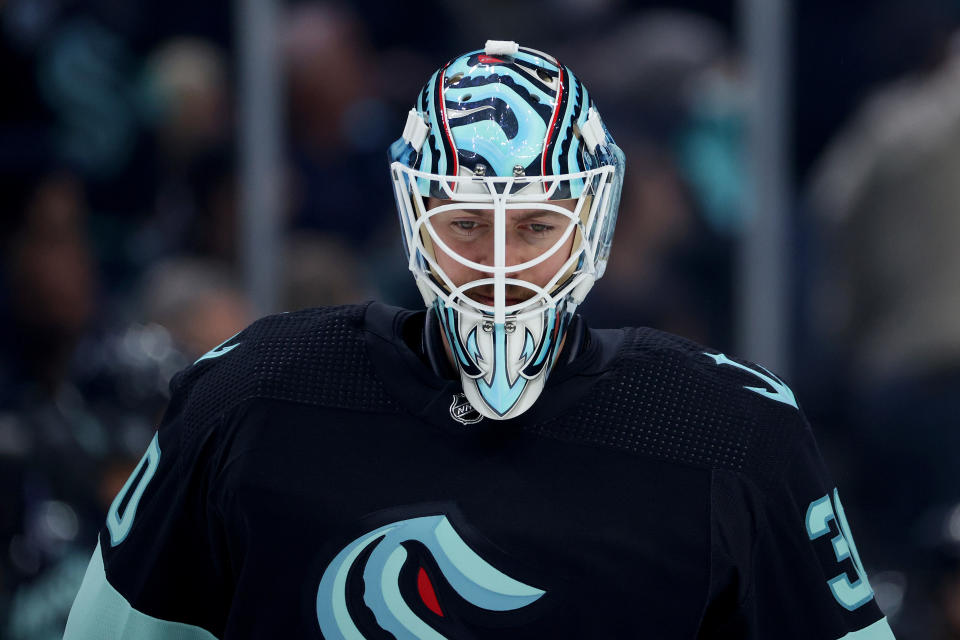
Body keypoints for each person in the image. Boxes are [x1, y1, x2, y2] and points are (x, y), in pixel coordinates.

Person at [62, 41, 894, 639]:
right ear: (416, 219)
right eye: (467, 224)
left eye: (536, 224)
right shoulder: (249, 394)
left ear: (594, 221)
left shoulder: (731, 428)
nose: (499, 266)